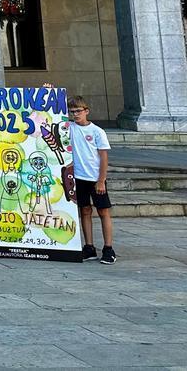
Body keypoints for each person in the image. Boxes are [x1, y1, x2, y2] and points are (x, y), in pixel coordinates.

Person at [68, 96, 116, 264]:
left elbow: (103, 156)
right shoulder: (70, 128)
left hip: (95, 178)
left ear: (86, 111)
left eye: (78, 111)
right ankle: (89, 247)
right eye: (72, 112)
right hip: (78, 177)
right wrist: (49, 93)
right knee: (85, 211)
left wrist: (101, 180)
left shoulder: (97, 131)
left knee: (103, 211)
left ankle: (108, 248)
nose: (75, 114)